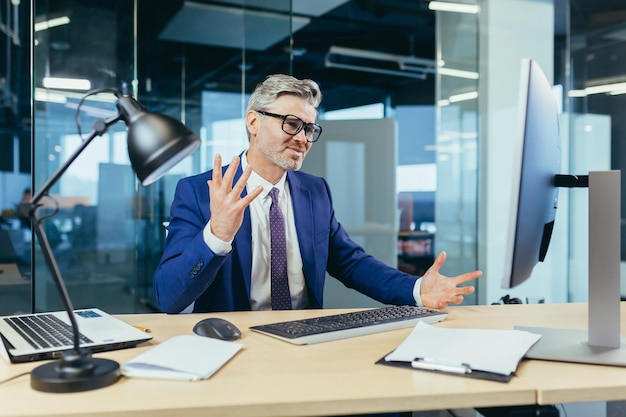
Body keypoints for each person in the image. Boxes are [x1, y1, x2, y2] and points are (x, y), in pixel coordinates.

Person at [153, 74, 481, 314]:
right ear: (254, 122)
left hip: (305, 339)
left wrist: (415, 289)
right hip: (236, 344)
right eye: (292, 123)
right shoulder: (200, 191)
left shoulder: (315, 191)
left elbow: (350, 262)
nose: (304, 138)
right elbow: (169, 297)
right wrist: (216, 236)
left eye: (310, 128)